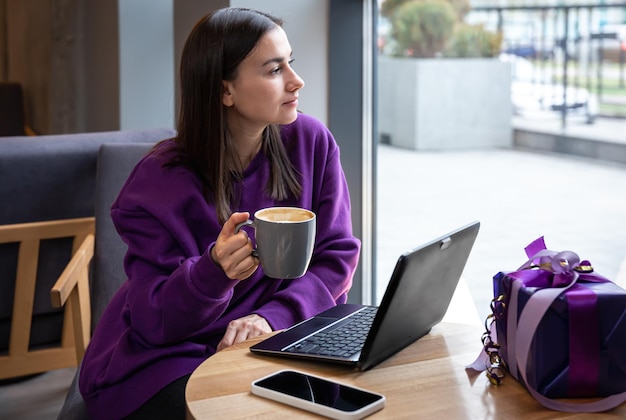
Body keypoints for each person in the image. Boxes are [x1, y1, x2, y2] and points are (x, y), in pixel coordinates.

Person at [78, 7, 361, 419]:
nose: (297, 81)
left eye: (291, 63)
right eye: (273, 70)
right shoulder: (154, 184)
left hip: (276, 338)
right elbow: (152, 320)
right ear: (225, 90)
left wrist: (271, 317)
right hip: (170, 357)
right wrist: (211, 273)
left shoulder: (311, 142)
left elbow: (337, 255)